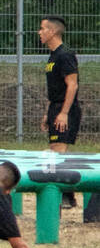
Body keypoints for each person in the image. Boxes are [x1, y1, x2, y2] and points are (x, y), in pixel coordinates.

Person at [39, 16, 81, 208]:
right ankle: (67, 195)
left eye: (42, 29)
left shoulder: (65, 55)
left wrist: (63, 113)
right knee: (55, 151)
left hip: (66, 108)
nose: (39, 32)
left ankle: (67, 196)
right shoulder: (52, 56)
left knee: (58, 152)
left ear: (52, 32)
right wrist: (49, 112)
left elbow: (72, 85)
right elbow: (54, 88)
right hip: (56, 106)